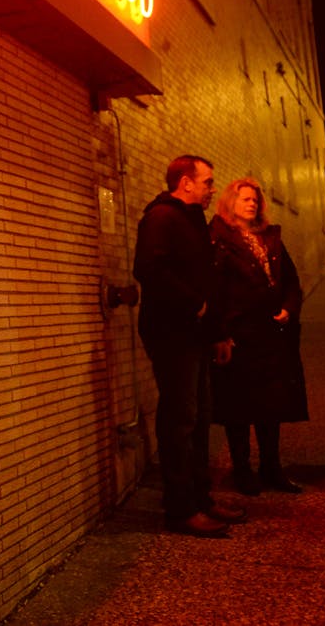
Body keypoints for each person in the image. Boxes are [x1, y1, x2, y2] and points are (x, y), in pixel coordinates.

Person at [134, 155, 246, 538]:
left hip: (195, 333)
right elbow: (149, 269)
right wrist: (192, 304)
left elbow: (206, 279)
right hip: (172, 331)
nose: (213, 189)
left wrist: (216, 331)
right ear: (185, 182)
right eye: (208, 181)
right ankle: (181, 509)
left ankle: (200, 498)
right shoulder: (161, 218)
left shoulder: (192, 220)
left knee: (198, 418)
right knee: (180, 419)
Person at [209, 178, 308, 496]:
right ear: (231, 203)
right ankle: (242, 470)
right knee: (238, 407)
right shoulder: (219, 239)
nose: (252, 204)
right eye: (245, 199)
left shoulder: (270, 238)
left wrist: (289, 309)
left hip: (271, 334)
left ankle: (271, 467)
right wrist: (221, 332)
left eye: (255, 199)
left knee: (271, 404)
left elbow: (291, 281)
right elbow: (215, 289)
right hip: (240, 333)